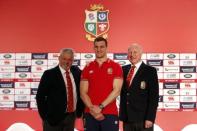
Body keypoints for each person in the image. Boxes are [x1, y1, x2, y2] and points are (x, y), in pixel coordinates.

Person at [80, 37, 123, 131]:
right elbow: (83, 92)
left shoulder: (116, 67)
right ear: (93, 48)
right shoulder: (87, 68)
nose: (99, 49)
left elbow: (117, 91)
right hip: (90, 113)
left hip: (109, 113)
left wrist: (100, 107)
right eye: (96, 47)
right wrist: (93, 110)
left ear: (107, 48)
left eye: (102, 47)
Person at [36, 48, 84, 131]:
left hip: (71, 117)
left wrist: (80, 111)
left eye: (69, 59)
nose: (66, 62)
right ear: (59, 58)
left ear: (73, 60)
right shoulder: (49, 74)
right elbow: (40, 97)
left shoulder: (77, 72)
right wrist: (45, 117)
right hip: (52, 120)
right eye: (64, 59)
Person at [119, 43, 159, 131]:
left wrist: (150, 118)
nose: (132, 55)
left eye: (135, 52)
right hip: (127, 119)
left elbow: (154, 97)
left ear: (141, 54)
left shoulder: (150, 71)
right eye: (130, 53)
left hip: (143, 119)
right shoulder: (123, 70)